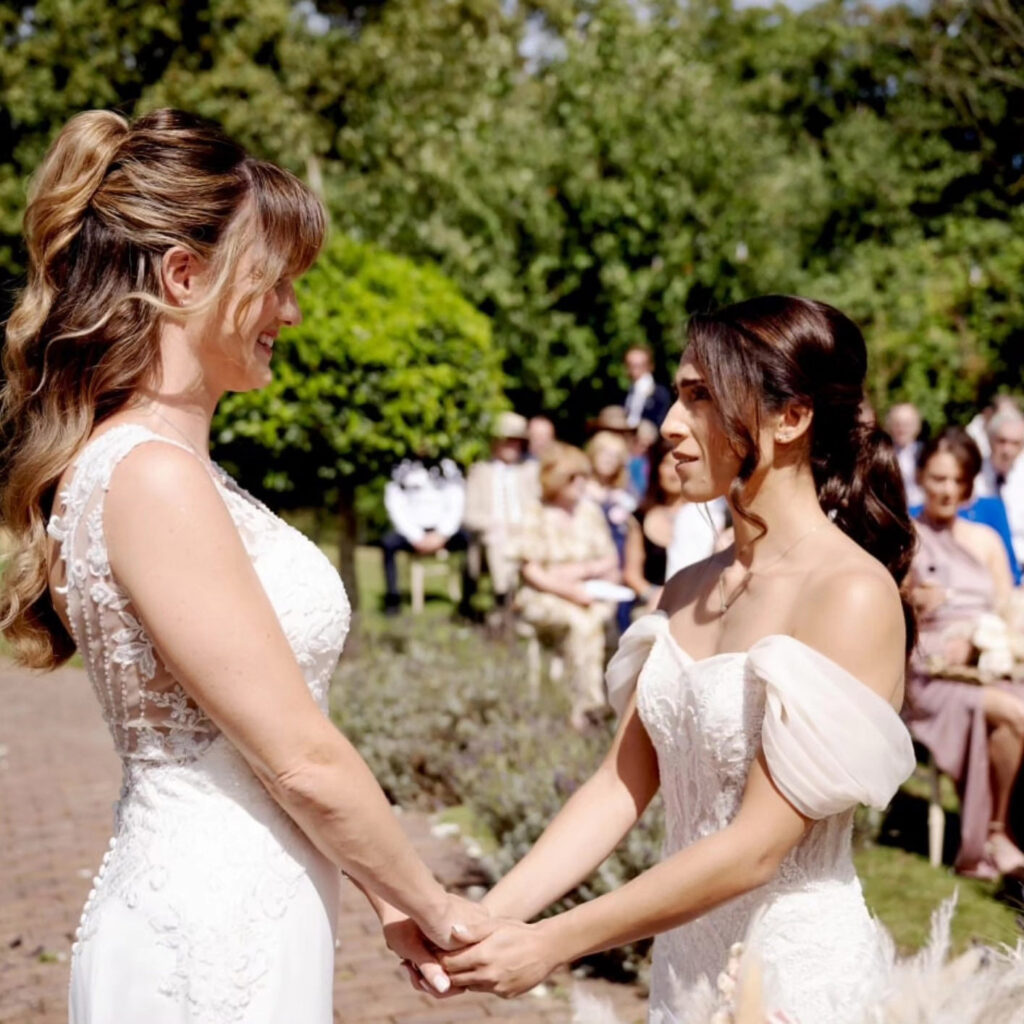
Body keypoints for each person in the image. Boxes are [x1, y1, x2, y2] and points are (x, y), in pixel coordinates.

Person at [0, 109, 483, 1022]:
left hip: (244, 909)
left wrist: (382, 899)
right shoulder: (150, 477)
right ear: (184, 276)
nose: (292, 313)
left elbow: (254, 739)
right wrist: (433, 899)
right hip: (208, 939)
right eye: (276, 284)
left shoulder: (170, 471)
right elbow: (297, 756)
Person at [430, 296, 918, 1022]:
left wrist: (550, 943)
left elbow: (756, 847)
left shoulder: (849, 594)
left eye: (700, 398)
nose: (669, 425)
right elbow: (615, 787)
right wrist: (478, 923)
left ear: (792, 417)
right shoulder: (687, 585)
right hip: (682, 970)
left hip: (792, 983)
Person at [903, 429, 1024, 879]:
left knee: (1013, 708)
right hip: (930, 673)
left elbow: (1010, 604)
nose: (947, 489)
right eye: (937, 478)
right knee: (1012, 713)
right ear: (921, 478)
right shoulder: (908, 536)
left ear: (970, 483)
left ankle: (1005, 830)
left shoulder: (986, 540)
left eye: (957, 480)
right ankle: (994, 834)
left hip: (986, 663)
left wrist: (999, 642)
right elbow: (884, 602)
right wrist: (912, 599)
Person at [511, 443, 620, 732]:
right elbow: (531, 569)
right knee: (581, 623)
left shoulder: (590, 512)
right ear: (556, 479)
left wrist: (579, 572)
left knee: (599, 621)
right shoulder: (536, 512)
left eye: (584, 476)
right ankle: (588, 708)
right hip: (543, 594)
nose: (581, 483)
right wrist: (568, 588)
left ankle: (606, 701)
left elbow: (609, 558)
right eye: (574, 478)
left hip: (588, 591)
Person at [463, 411, 539, 613]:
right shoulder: (479, 471)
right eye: (507, 441)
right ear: (495, 442)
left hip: (526, 532)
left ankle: (517, 603)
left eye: (516, 441)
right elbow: (468, 515)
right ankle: (503, 597)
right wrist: (494, 524)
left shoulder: (531, 470)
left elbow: (540, 507)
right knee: (497, 539)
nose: (512, 446)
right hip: (492, 536)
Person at [381, 454, 468, 615]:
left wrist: (442, 534)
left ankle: (467, 601)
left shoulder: (449, 466)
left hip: (443, 532)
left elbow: (457, 502)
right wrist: (416, 536)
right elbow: (395, 505)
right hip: (412, 532)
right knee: (388, 544)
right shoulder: (402, 467)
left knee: (470, 541)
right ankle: (392, 599)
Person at [585, 430, 639, 633]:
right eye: (605, 453)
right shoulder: (580, 489)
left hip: (618, 555)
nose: (609, 460)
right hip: (590, 556)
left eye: (615, 456)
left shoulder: (622, 492)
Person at [622, 445, 685, 613]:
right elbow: (632, 574)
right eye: (667, 464)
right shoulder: (639, 516)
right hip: (652, 604)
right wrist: (654, 596)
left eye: (680, 464)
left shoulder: (711, 516)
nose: (674, 473)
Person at [975, 409, 1024, 575]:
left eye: (1015, 443)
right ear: (989, 440)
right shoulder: (973, 476)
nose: (1007, 450)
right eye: (1001, 441)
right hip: (981, 565)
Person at [622, 344, 672, 428]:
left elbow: (661, 422)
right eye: (630, 365)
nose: (634, 370)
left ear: (650, 366)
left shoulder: (660, 393)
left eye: (638, 366)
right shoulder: (628, 391)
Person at [886, 401, 924, 507]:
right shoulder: (882, 453)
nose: (901, 428)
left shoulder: (925, 452)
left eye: (907, 424)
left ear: (917, 426)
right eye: (897, 423)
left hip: (919, 507)